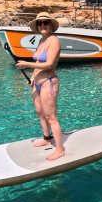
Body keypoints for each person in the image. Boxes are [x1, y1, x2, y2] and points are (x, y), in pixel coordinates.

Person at [16, 12, 65, 160]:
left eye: (45, 22)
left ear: (51, 25)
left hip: (48, 82)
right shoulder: (41, 40)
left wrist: (26, 64)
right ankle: (46, 138)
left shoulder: (53, 40)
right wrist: (32, 77)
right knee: (40, 113)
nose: (42, 25)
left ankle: (60, 149)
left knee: (51, 116)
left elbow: (49, 64)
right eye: (40, 23)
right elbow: (38, 65)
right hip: (37, 83)